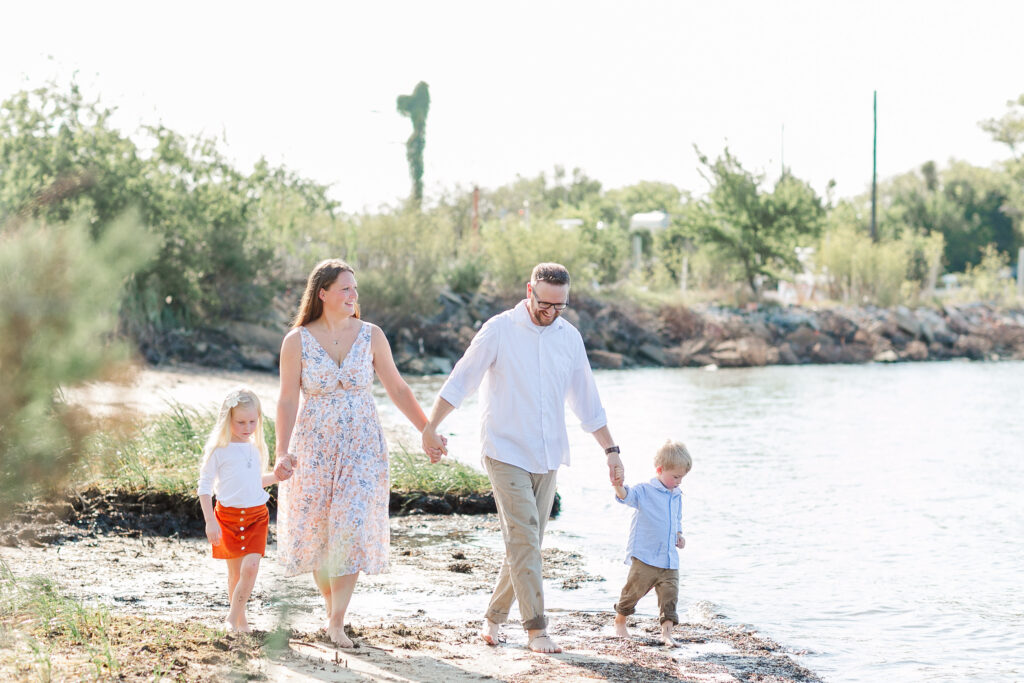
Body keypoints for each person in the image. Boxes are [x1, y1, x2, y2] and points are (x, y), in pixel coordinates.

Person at [421, 262, 623, 654]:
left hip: (548, 457)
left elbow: (588, 402)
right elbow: (462, 378)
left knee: (525, 542)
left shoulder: (569, 337)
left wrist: (611, 450)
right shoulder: (499, 329)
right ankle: (536, 629)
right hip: (505, 450)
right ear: (529, 290)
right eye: (545, 303)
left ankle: (493, 618)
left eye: (560, 306)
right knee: (526, 539)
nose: (551, 312)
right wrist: (431, 426)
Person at [273, 258, 443, 648]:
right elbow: (285, 400)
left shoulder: (371, 335)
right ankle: (333, 610)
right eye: (346, 289)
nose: (353, 295)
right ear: (323, 294)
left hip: (362, 445)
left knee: (349, 528)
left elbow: (398, 388)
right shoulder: (296, 340)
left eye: (355, 289)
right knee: (318, 533)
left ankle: (336, 621)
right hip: (312, 446)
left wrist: (426, 430)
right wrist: (282, 451)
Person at [197, 387, 278, 633]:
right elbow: (204, 487)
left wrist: (276, 476)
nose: (247, 427)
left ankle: (231, 618)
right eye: (241, 422)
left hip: (256, 517)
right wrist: (210, 521)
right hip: (227, 517)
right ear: (227, 420)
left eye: (253, 421)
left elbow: (253, 481)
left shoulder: (255, 447)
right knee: (234, 575)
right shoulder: (218, 450)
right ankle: (241, 622)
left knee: (251, 567)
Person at [610, 440, 692, 647]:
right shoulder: (645, 491)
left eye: (682, 477)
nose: (679, 481)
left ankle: (667, 633)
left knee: (670, 595)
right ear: (660, 470)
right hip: (646, 556)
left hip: (669, 558)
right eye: (676, 476)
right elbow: (625, 496)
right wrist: (618, 485)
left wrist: (679, 534)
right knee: (633, 591)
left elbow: (677, 518)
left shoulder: (677, 495)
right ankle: (620, 621)